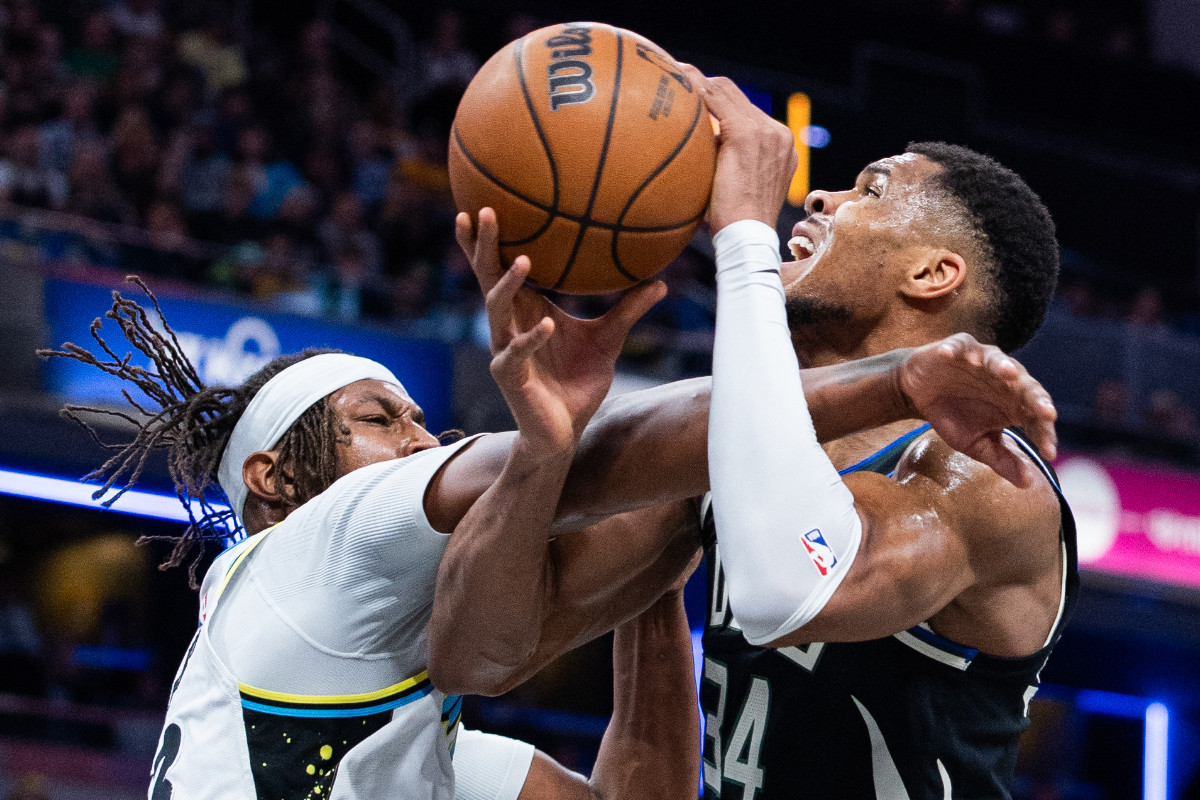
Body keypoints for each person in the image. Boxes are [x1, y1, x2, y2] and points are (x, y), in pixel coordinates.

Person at [41, 247, 1050, 799]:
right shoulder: (322, 534)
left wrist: (674, 533)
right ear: (274, 478)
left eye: (419, 415)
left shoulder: (400, 739)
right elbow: (602, 455)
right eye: (376, 420)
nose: (420, 436)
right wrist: (896, 382)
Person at [439, 66, 1073, 800]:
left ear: (933, 273)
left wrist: (742, 233)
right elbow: (476, 658)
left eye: (868, 191)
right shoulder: (735, 446)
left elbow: (791, 590)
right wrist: (541, 454)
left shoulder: (984, 479)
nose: (817, 196)